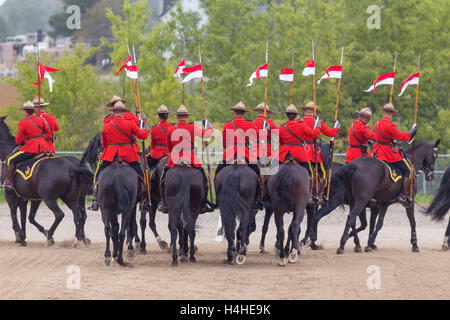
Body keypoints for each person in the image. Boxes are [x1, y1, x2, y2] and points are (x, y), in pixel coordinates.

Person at [88, 100, 149, 211]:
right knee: (142, 174)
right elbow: (142, 136)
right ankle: (145, 199)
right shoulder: (130, 123)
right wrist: (145, 126)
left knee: (97, 174)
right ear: (124, 111)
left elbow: (104, 143)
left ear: (114, 112)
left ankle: (95, 200)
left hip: (111, 154)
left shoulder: (106, 125)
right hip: (129, 154)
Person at [159, 105, 213, 213]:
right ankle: (203, 203)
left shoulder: (170, 129)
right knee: (204, 179)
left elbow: (169, 147)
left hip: (174, 159)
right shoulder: (193, 127)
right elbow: (207, 135)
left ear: (178, 116)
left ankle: (164, 203)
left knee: (163, 179)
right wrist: (208, 126)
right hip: (191, 158)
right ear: (187, 116)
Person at [214, 101, 261, 209]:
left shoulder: (227, 125)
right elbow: (255, 139)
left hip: (230, 153)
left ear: (235, 112)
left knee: (218, 173)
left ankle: (217, 199)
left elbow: (225, 143)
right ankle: (257, 198)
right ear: (244, 113)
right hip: (245, 153)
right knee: (257, 174)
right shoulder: (251, 125)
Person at [373, 103, 418, 207]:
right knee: (408, 170)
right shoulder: (391, 125)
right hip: (388, 154)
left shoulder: (377, 123)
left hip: (378, 152)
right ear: (392, 113)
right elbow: (404, 137)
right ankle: (403, 195)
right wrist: (412, 130)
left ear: (384, 112)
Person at [3, 101, 51, 190]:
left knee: (9, 159)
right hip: (43, 147)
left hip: (30, 148)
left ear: (25, 111)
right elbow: (48, 131)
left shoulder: (23, 123)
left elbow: (18, 140)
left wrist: (24, 140)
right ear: (33, 111)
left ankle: (9, 182)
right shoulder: (40, 119)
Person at [301, 101, 340, 203]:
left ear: (305, 111)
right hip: (313, 151)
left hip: (301, 149)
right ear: (315, 112)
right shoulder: (318, 122)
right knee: (322, 172)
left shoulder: (300, 121)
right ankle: (320, 194)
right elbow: (331, 133)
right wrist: (336, 127)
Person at [278, 104, 321, 176]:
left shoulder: (281, 128)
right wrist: (318, 125)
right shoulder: (301, 125)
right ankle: (310, 182)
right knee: (310, 172)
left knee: (270, 169)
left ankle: (264, 184)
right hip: (299, 153)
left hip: (284, 152)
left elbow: (280, 142)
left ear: (287, 115)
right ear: (296, 115)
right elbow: (315, 134)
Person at [147, 105, 171, 171]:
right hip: (170, 153)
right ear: (167, 116)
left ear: (159, 116)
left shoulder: (154, 128)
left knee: (146, 163)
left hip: (157, 154)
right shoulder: (173, 127)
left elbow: (152, 145)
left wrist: (152, 151)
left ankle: (149, 178)